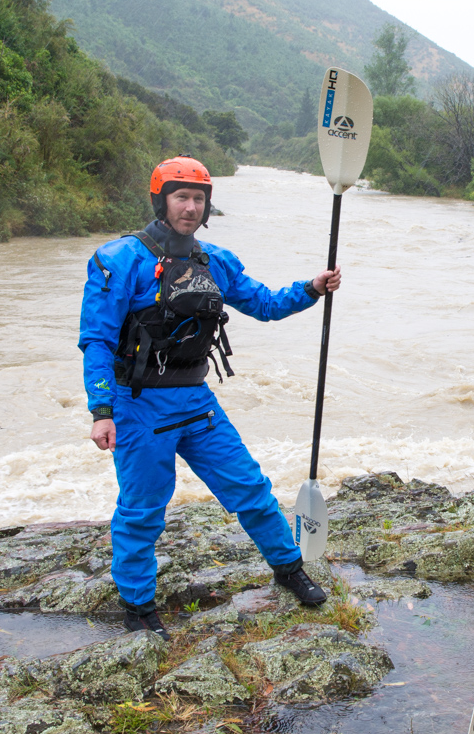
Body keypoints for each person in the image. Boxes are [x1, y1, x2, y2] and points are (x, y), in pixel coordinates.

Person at [79, 155, 340, 640]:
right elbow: (96, 339)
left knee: (250, 488)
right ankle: (138, 606)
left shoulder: (213, 261)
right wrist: (102, 411)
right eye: (181, 197)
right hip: (138, 405)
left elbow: (263, 304)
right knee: (142, 511)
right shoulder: (119, 260)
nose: (191, 207)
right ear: (161, 200)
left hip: (196, 400)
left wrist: (311, 288)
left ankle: (288, 569)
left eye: (199, 199)